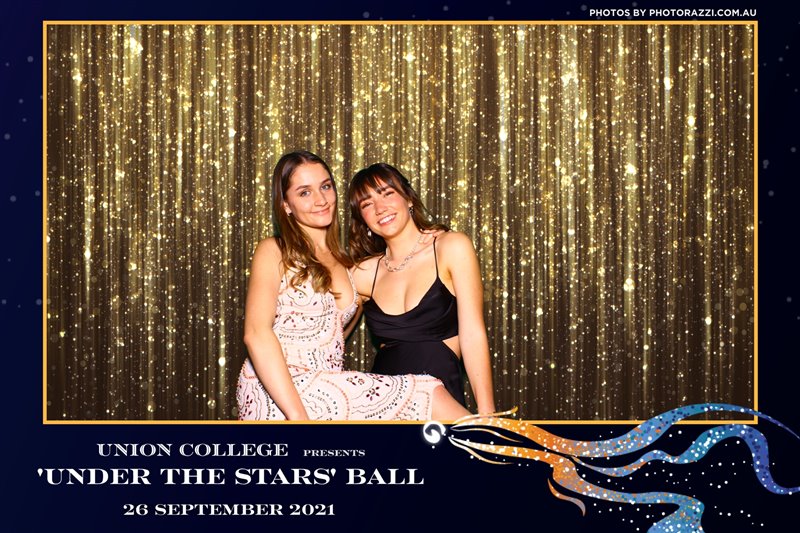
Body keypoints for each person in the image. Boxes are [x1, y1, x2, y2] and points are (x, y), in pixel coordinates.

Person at [236, 151, 469, 421]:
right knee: (429, 392)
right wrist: (299, 420)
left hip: (326, 385)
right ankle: (497, 441)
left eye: (326, 186)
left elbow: (336, 335)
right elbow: (256, 334)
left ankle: (492, 441)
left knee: (425, 399)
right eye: (304, 192)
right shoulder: (274, 250)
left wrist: (427, 240)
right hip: (276, 387)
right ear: (286, 204)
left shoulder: (350, 269)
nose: (321, 200)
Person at [347, 163, 496, 414]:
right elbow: (327, 333)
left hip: (439, 404)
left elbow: (472, 333)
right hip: (381, 406)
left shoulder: (451, 247)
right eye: (367, 204)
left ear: (408, 198)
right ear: (362, 219)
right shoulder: (362, 273)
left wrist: (487, 413)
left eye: (387, 193)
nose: (380, 208)